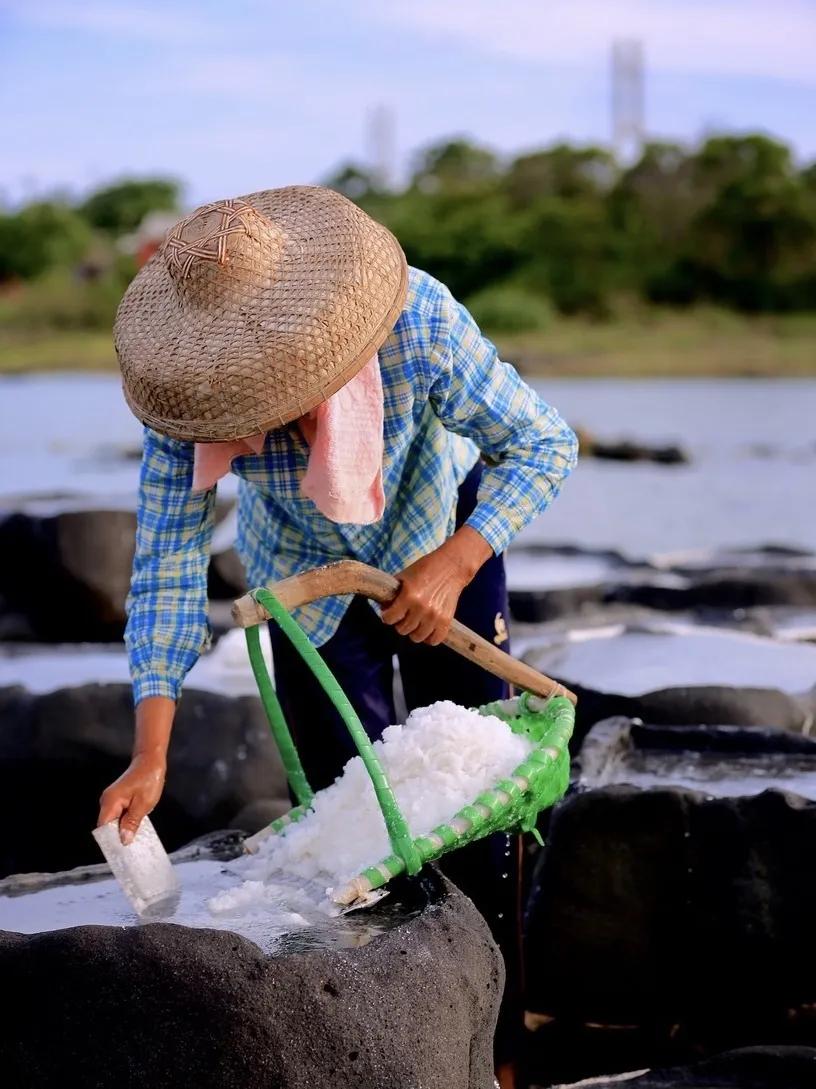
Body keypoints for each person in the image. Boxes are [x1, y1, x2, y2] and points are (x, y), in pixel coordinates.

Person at [98, 186, 577, 1087]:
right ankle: (392, 1046)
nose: (264, 416)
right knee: (349, 825)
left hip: (442, 535)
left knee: (480, 805)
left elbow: (544, 444)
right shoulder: (182, 395)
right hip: (303, 578)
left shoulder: (417, 319)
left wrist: (455, 563)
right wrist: (150, 752)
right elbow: (166, 564)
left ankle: (503, 1049)